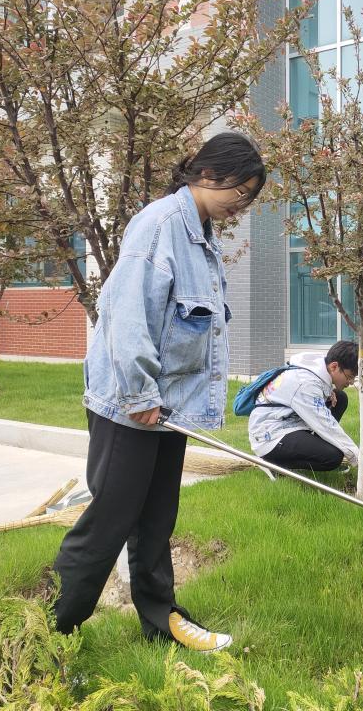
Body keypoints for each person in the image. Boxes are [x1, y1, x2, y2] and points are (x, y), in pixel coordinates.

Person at [52, 132, 265, 652]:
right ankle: (51, 632)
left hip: (169, 407)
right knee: (109, 520)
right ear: (208, 174)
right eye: (239, 193)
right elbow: (125, 315)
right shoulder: (160, 226)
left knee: (155, 520)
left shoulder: (202, 236)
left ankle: (160, 622)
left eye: (248, 199)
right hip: (131, 404)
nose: (240, 206)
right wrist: (140, 394)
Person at [247, 340, 363, 496]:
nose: (350, 383)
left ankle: (310, 450)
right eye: (349, 377)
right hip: (270, 434)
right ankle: (274, 464)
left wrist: (328, 391)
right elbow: (328, 427)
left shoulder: (319, 364)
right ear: (334, 367)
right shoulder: (305, 385)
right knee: (333, 457)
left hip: (288, 419)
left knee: (340, 398)